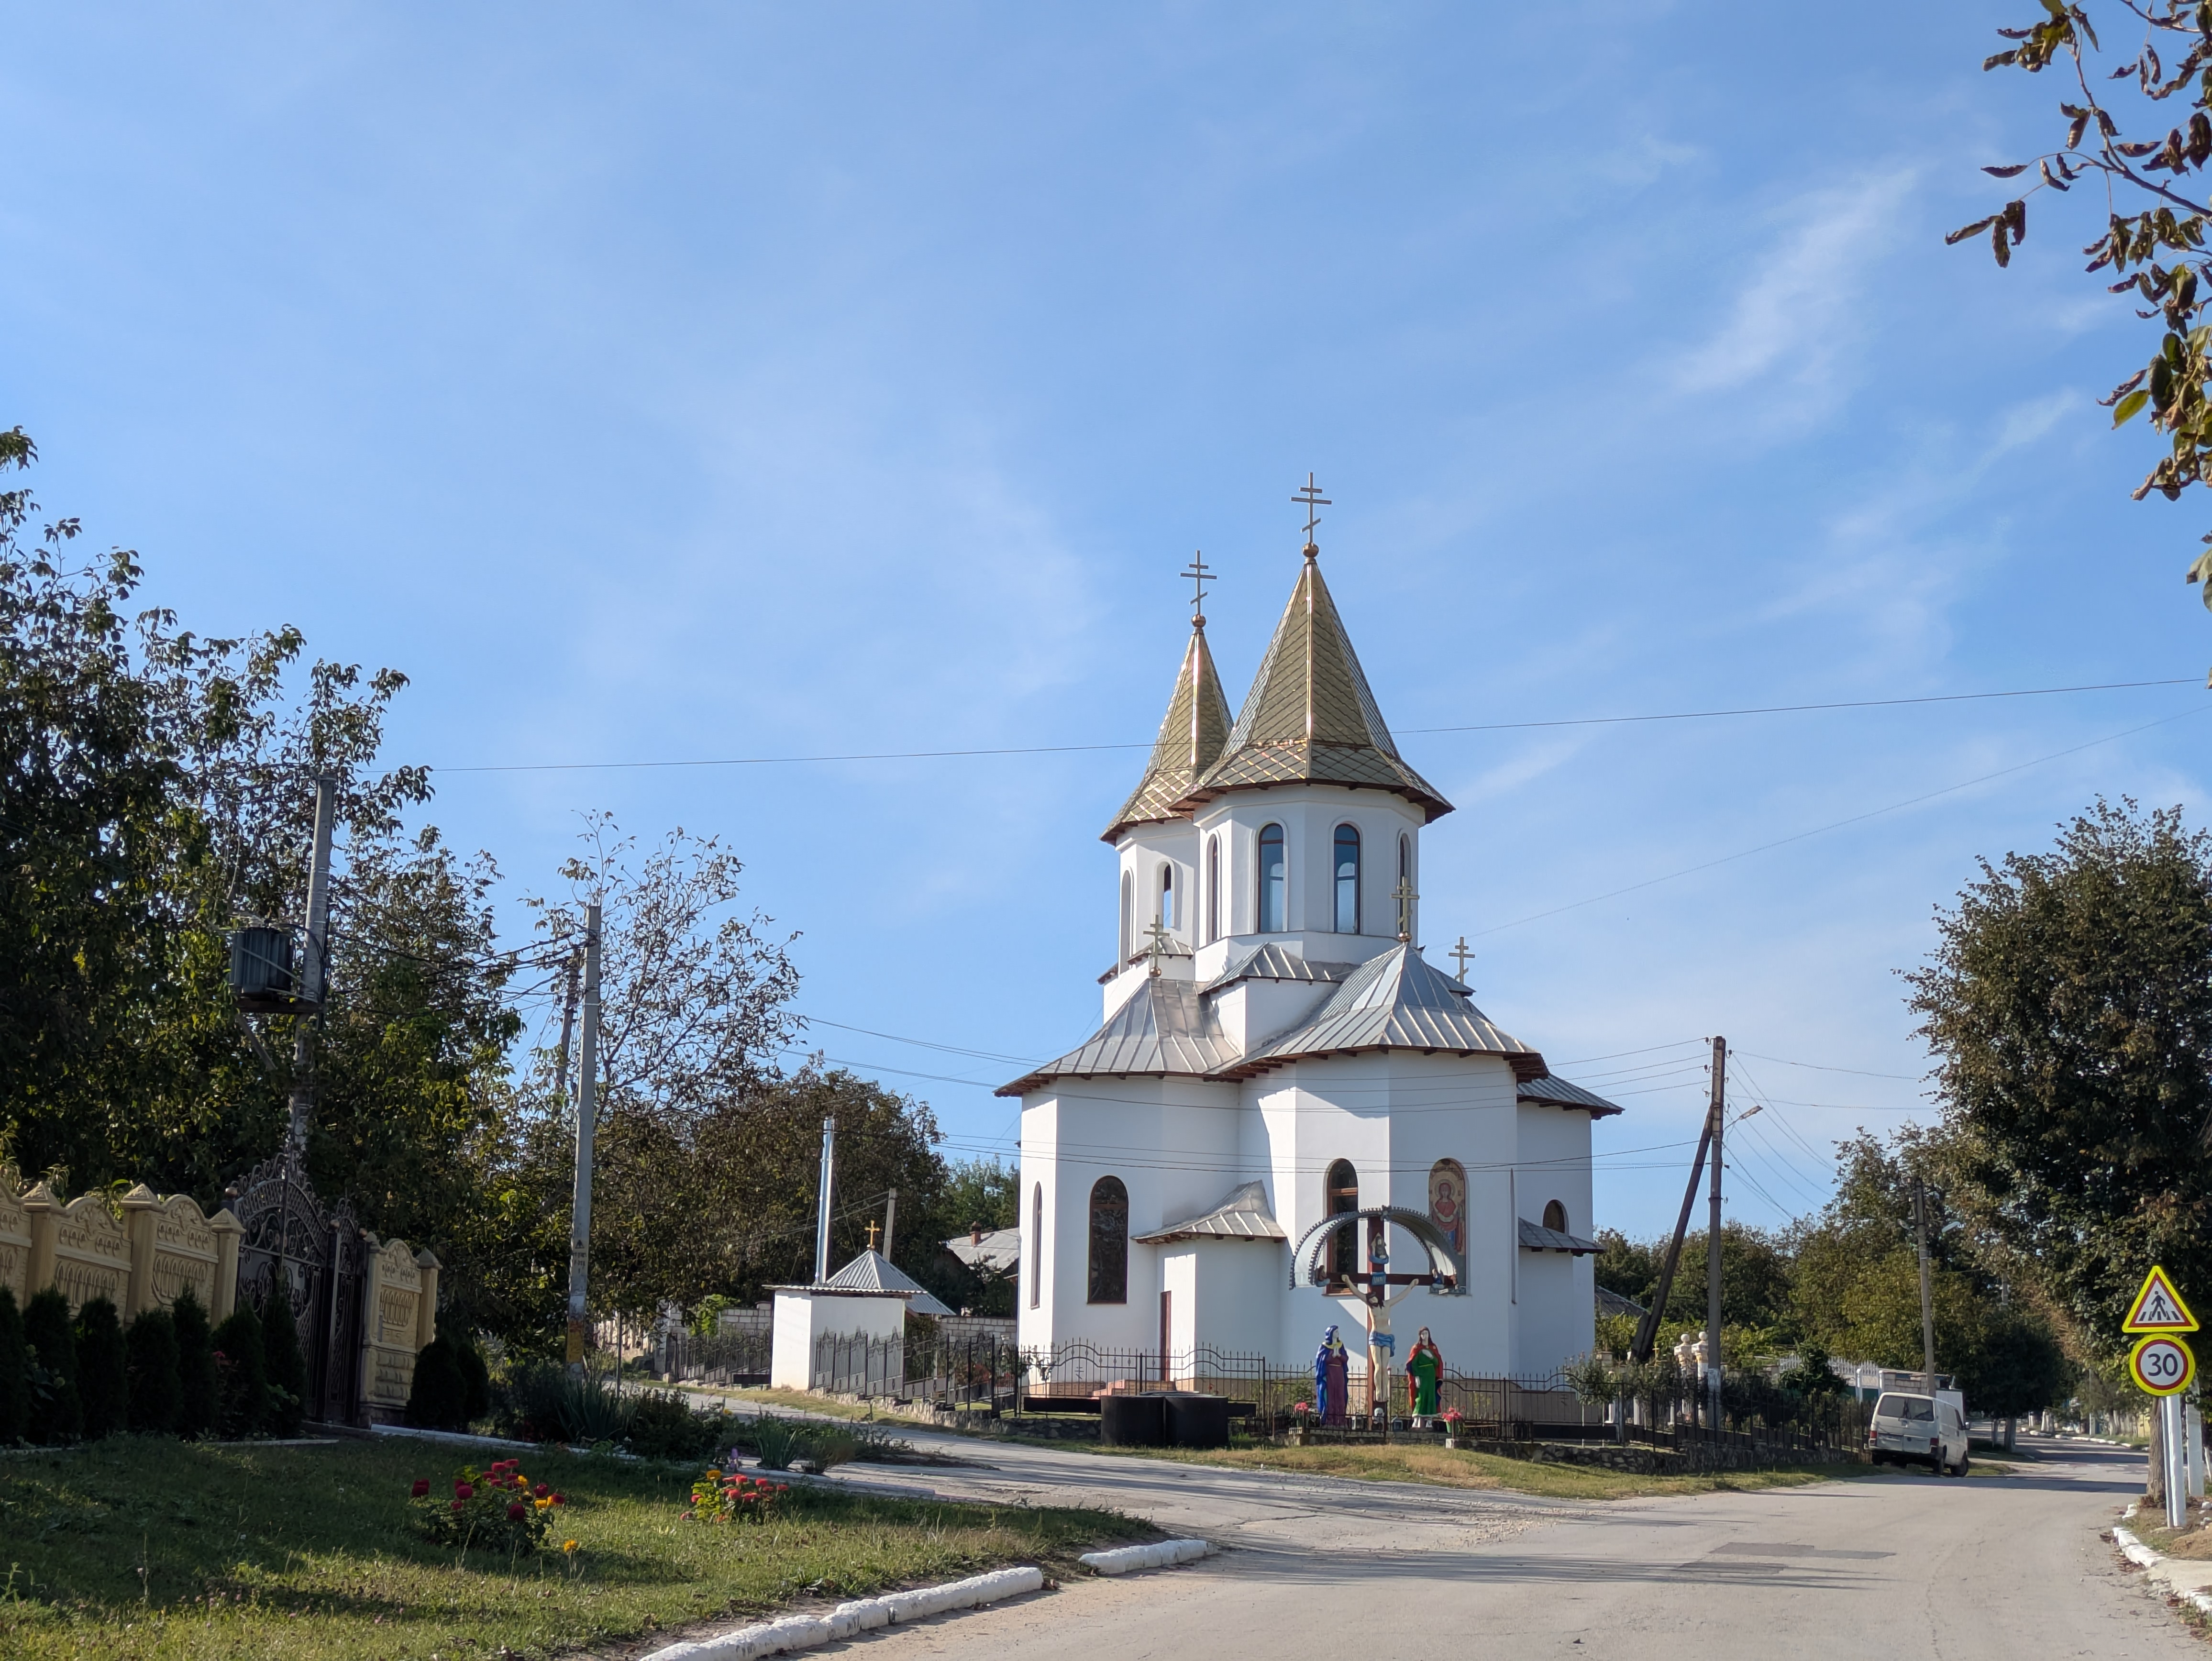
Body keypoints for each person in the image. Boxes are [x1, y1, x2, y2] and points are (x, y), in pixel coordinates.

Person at [1315, 1325, 1350, 1426]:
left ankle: (1341, 1420)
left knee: (1340, 1396)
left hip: (1339, 1372)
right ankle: (1329, 1420)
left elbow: (1346, 1358)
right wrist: (1331, 1356)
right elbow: (1321, 1360)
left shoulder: (1341, 1345)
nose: (1338, 1333)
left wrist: (1340, 1356)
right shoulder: (1324, 1346)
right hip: (1330, 1373)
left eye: (1338, 1332)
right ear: (1330, 1334)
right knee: (1330, 1396)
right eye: (1336, 1332)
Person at [1406, 1327, 1443, 1421]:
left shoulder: (1433, 1348)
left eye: (1426, 1334)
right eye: (1423, 1334)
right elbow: (1413, 1364)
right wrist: (1417, 1377)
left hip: (1431, 1376)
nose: (1425, 1336)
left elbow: (1437, 1363)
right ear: (1420, 1336)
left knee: (1431, 1396)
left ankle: (1429, 1421)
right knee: (1421, 1397)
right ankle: (1417, 1419)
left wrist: (1430, 1356)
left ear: (1429, 1335)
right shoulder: (1416, 1348)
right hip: (1422, 1377)